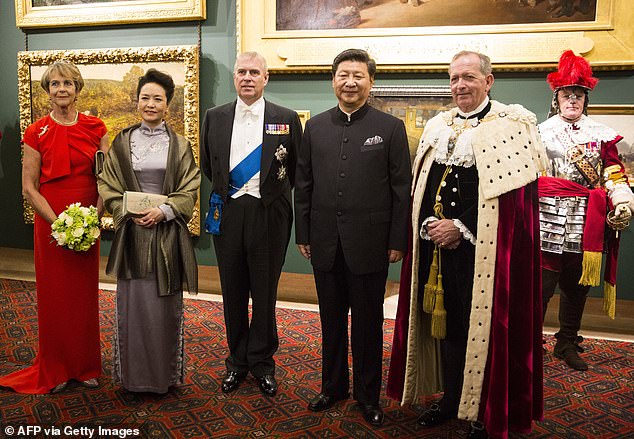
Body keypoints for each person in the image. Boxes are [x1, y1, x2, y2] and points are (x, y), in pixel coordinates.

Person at [386, 51, 548, 439]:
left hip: (487, 255)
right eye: (455, 78)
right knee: (448, 329)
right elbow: (423, 187)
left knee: (487, 330)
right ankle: (451, 397)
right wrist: (429, 224)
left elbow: (514, 205)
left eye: (469, 78)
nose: (460, 85)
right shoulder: (438, 126)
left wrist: (461, 227)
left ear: (488, 81)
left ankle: (484, 410)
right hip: (436, 251)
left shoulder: (513, 125)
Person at [294, 48, 411, 427]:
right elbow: (304, 185)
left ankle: (366, 395)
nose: (350, 82)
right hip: (324, 241)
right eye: (343, 75)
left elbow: (400, 191)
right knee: (330, 321)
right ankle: (332, 387)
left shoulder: (390, 128)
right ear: (333, 81)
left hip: (371, 244)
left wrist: (397, 240)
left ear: (370, 82)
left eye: (358, 75)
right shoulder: (315, 128)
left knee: (367, 324)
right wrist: (304, 232)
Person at [0, 60, 108, 394]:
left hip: (87, 222)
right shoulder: (36, 132)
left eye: (67, 83)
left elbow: (106, 179)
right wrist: (59, 223)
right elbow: (29, 187)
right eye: (54, 84)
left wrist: (93, 219)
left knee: (84, 296)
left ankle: (86, 365)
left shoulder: (97, 127)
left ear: (78, 88)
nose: (61, 89)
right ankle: (57, 367)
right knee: (55, 297)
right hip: (52, 223)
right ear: (47, 91)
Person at [200, 52, 301, 397]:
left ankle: (262, 363)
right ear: (235, 77)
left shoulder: (286, 119)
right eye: (241, 71)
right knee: (232, 291)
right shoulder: (214, 117)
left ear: (266, 78)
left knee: (264, 292)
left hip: (269, 214)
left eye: (254, 72)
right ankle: (237, 362)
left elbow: (297, 169)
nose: (247, 77)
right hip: (228, 213)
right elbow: (209, 168)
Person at [98, 69, 200, 393]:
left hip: (166, 235)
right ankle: (133, 378)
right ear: (137, 100)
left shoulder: (180, 145)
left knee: (163, 305)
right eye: (145, 97)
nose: (151, 104)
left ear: (167, 105)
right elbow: (108, 182)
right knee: (134, 305)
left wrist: (164, 210)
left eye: (158, 99)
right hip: (133, 234)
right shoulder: (122, 140)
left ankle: (162, 378)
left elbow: (190, 186)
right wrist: (125, 210)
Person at [538, 51, 633, 371]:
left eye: (578, 95)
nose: (573, 100)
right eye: (567, 94)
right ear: (557, 98)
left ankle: (566, 342)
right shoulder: (539, 132)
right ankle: (529, 342)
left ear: (585, 98)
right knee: (541, 287)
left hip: (586, 221)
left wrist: (622, 200)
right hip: (545, 218)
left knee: (578, 286)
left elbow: (614, 173)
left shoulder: (601, 134)